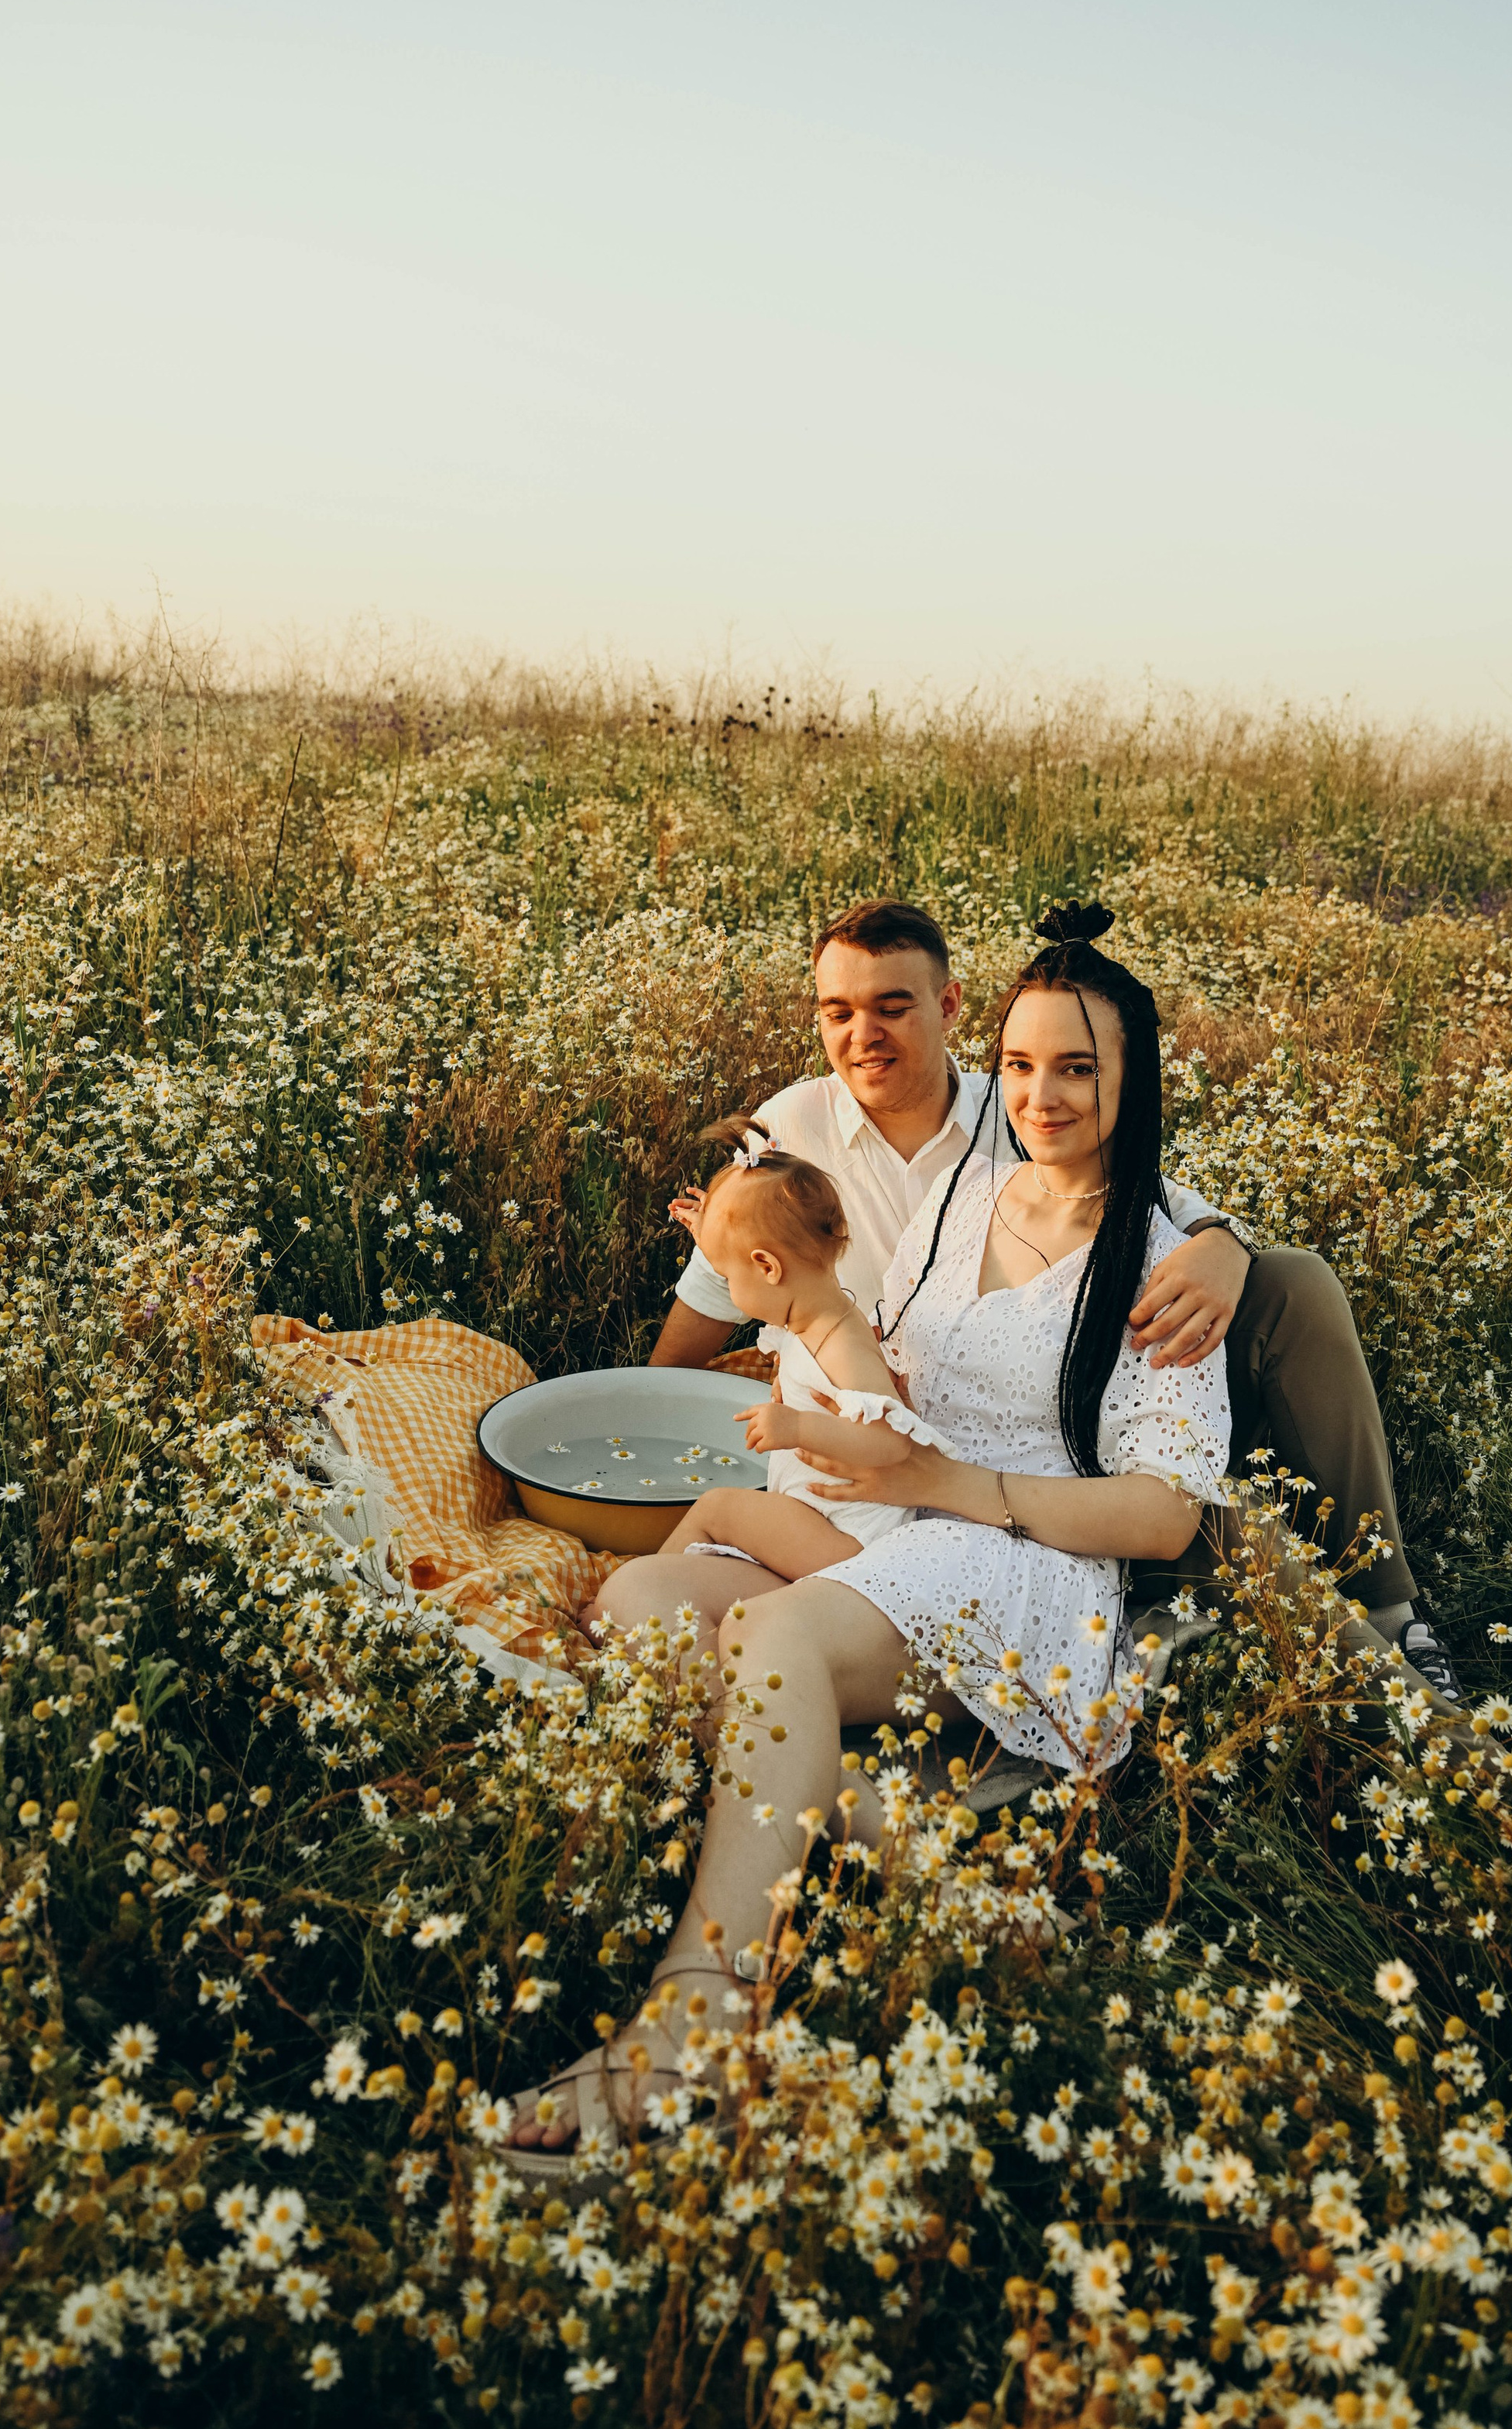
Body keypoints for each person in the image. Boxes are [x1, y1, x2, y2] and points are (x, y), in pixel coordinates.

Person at [509, 904, 1233, 2163]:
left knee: (773, 1633)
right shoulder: (967, 1195)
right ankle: (920, 1862)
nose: (1045, 1096)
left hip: (1027, 1561)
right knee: (639, 1605)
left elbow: (1169, 1514)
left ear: (1134, 1075)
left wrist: (965, 1488)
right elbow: (877, 1353)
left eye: (1079, 1067)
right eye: (1021, 1066)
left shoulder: (1160, 1261)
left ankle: (695, 2028)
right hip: (904, 1524)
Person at [648, 896, 1459, 1700]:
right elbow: (722, 1272)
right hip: (902, 1411)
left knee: (1292, 1290)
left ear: (947, 1007)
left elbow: (1136, 1193)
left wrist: (1220, 1243)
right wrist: (646, 1402)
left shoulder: (1006, 1122)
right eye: (838, 1011)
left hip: (1082, 1393)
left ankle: (1390, 1614)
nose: (864, 1036)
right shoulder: (789, 1124)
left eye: (891, 1008)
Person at [596, 1122, 937, 1614]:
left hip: (853, 1543)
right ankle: (659, 1593)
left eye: (728, 1275)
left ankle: (631, 1612)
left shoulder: (844, 1344)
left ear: (768, 1268)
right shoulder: (810, 1321)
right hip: (819, 1518)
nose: (728, 1287)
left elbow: (890, 1442)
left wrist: (797, 1426)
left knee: (717, 1508)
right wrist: (712, 1230)